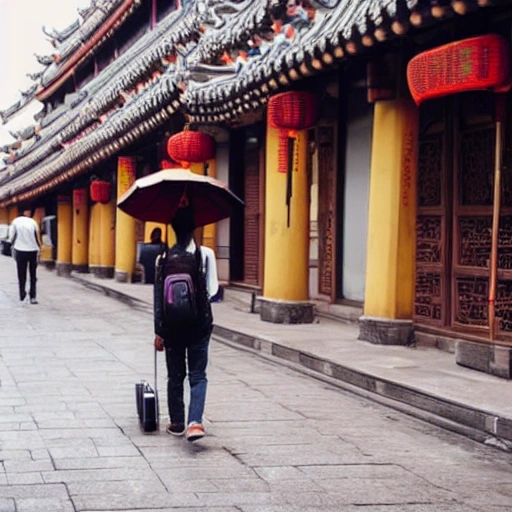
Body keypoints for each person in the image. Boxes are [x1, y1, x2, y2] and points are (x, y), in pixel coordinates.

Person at [153, 205, 218, 442]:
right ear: (193, 230)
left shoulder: (163, 258)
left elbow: (158, 298)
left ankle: (177, 422)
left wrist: (159, 331)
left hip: (171, 328)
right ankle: (195, 422)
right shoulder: (204, 255)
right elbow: (212, 290)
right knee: (198, 375)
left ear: (173, 230)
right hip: (199, 326)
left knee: (175, 375)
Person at [10, 209, 41, 304]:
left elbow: (11, 236)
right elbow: (37, 237)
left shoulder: (15, 222)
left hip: (20, 250)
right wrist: (39, 249)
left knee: (21, 274)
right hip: (33, 250)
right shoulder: (33, 222)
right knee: (33, 275)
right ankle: (33, 296)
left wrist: (12, 246)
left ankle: (22, 294)